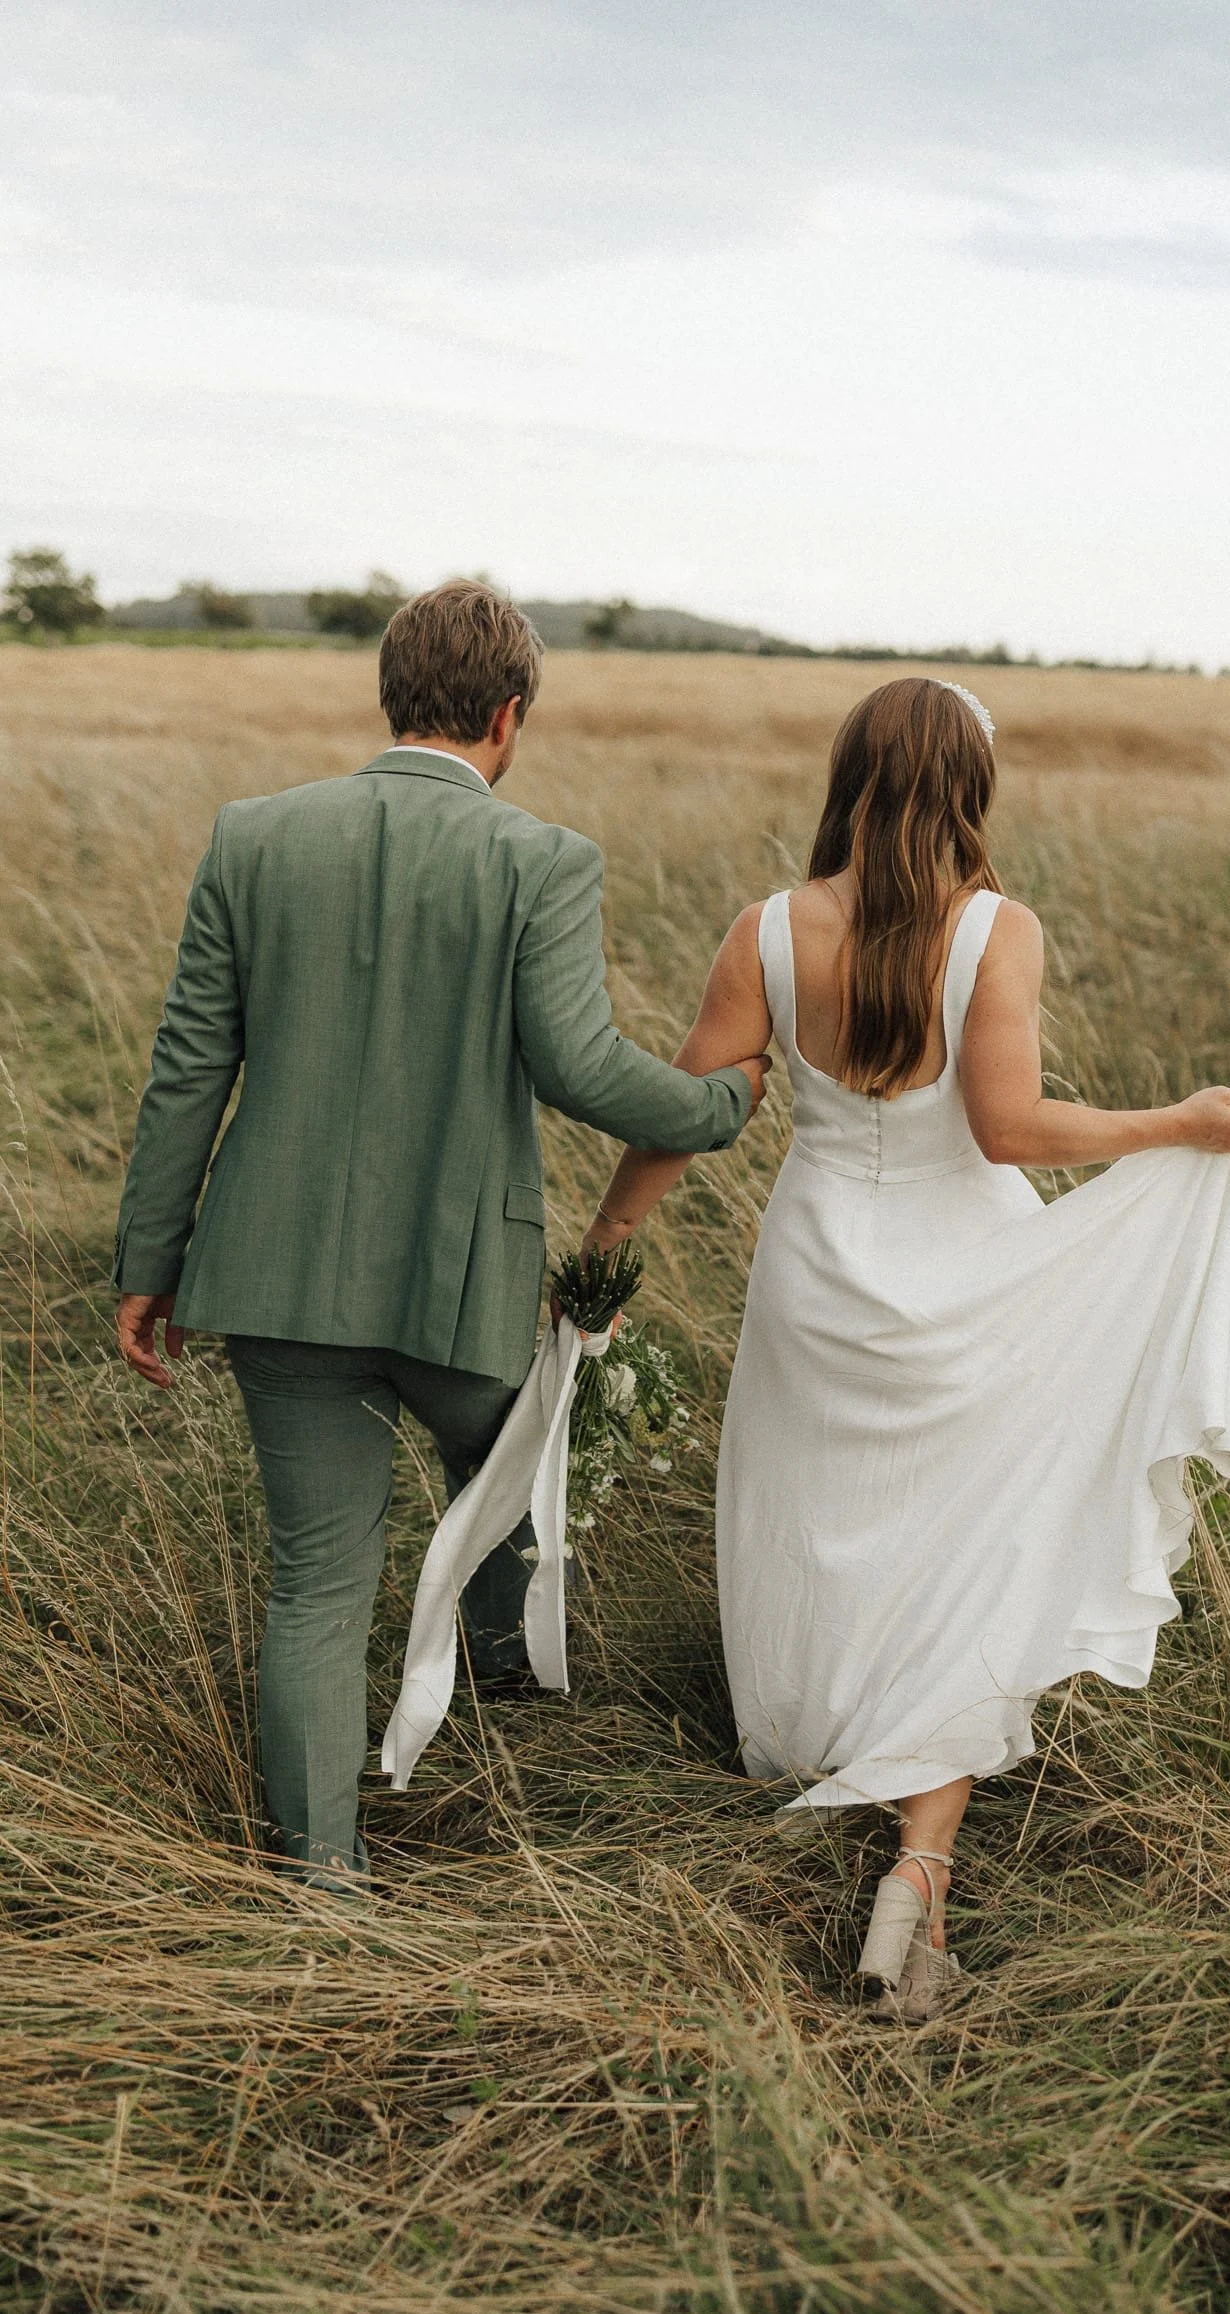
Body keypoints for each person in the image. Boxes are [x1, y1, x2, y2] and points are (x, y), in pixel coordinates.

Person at [578, 676, 1230, 2021]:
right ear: (971, 787)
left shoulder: (769, 932)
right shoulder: (995, 933)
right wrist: (1177, 1123)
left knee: (825, 1522)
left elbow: (691, 1108)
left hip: (818, 1269)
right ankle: (921, 1867)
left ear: (849, 773)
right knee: (968, 1541)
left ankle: (833, 1750)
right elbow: (1008, 1132)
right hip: (969, 1272)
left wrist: (607, 1238)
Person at [112, 580, 769, 1892]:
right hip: (458, 1289)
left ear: (390, 695)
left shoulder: (255, 836)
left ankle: (324, 1879)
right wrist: (721, 1101)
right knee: (517, 1491)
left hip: (274, 1281)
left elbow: (189, 1064)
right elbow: (580, 1067)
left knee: (316, 1587)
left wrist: (150, 1266)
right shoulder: (543, 859)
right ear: (508, 716)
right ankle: (505, 1743)